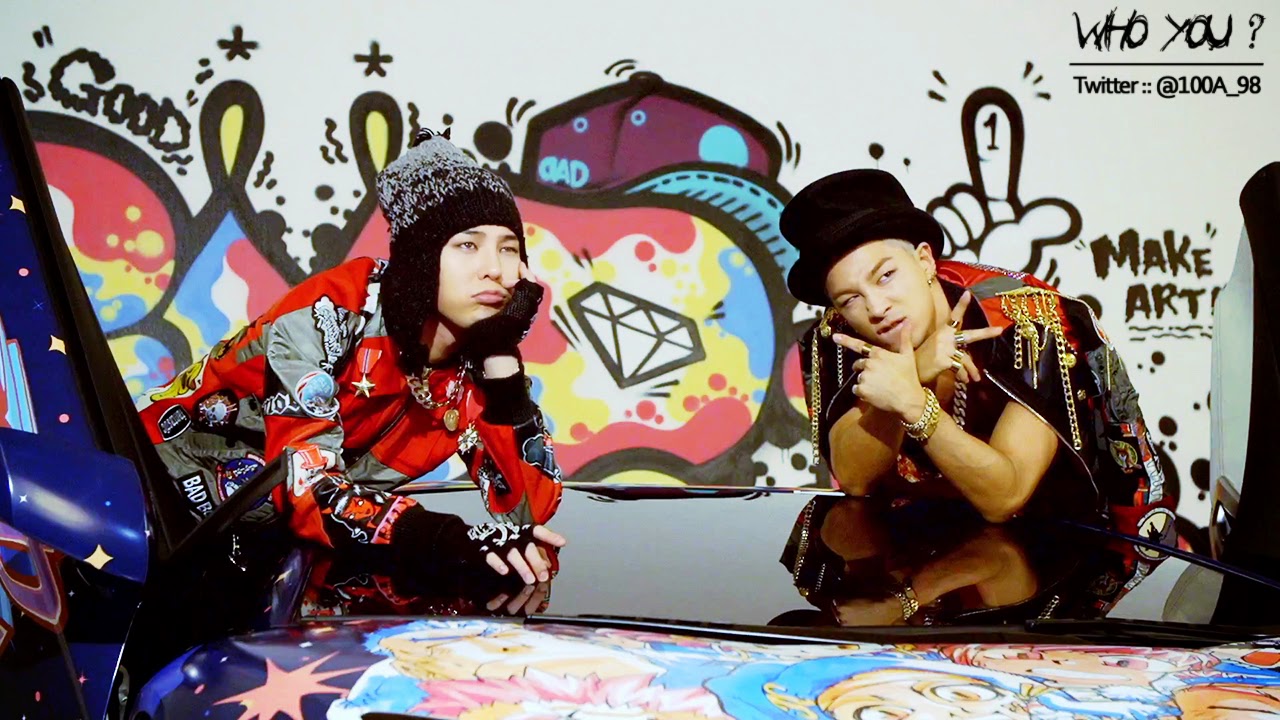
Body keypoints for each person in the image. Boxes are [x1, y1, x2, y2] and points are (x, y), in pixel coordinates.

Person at [137, 128, 564, 585]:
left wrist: (502, 362)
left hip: (268, 557)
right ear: (421, 257)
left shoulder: (472, 370)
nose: (495, 269)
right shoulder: (330, 314)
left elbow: (528, 513)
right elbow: (308, 488)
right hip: (152, 512)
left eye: (509, 249)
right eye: (467, 245)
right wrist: (444, 540)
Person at [783, 169, 1171, 541]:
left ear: (924, 261)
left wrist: (914, 405)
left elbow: (1005, 497)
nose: (876, 307)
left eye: (886, 276)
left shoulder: (1027, 323)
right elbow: (855, 480)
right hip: (917, 550)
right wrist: (912, 374)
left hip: (1053, 548)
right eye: (850, 298)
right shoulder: (840, 335)